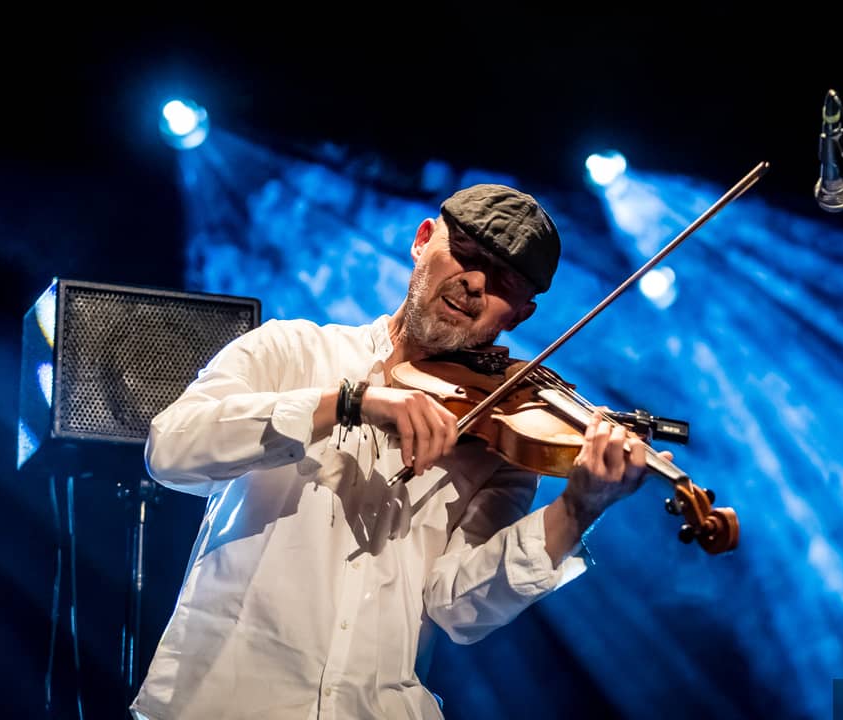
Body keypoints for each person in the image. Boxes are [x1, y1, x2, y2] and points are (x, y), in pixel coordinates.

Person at [130, 183, 669, 720]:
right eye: (466, 254)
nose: (474, 283)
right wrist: (348, 402)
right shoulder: (291, 349)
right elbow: (172, 449)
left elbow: (459, 607)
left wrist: (576, 510)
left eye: (503, 282)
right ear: (423, 240)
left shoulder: (499, 437)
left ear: (519, 315)